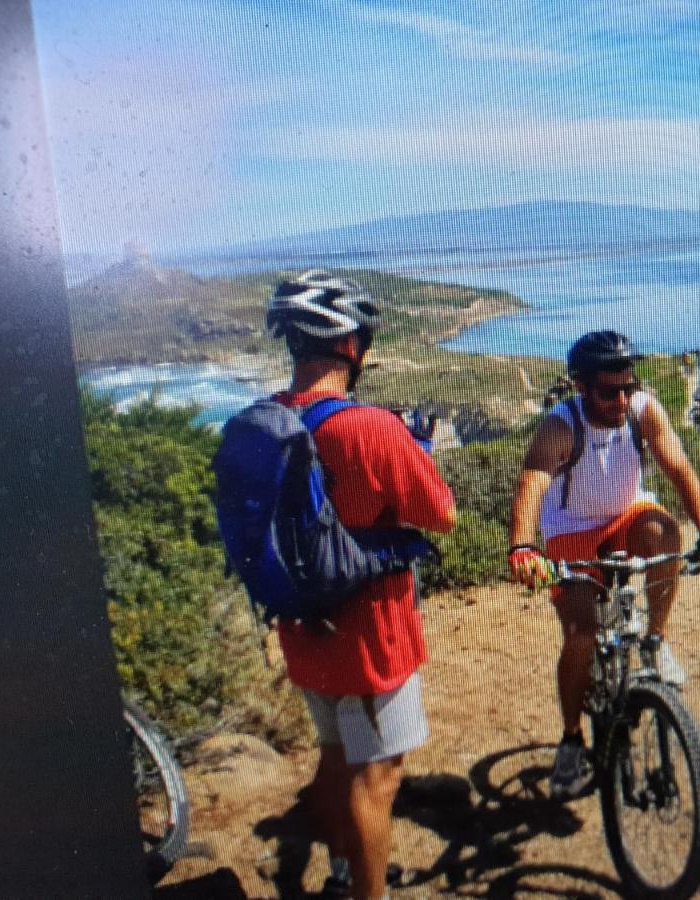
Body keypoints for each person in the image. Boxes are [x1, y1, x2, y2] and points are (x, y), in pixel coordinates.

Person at [264, 270, 457, 900]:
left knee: (337, 759)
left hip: (300, 630)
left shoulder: (264, 424)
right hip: (371, 639)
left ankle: (344, 869)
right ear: (351, 346)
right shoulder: (371, 428)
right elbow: (441, 515)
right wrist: (414, 452)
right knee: (377, 782)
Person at [507, 330, 700, 799]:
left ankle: (654, 640)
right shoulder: (561, 424)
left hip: (627, 514)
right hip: (572, 531)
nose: (622, 399)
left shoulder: (643, 411)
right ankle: (572, 738)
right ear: (582, 388)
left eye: (629, 386)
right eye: (609, 391)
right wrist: (522, 547)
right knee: (581, 635)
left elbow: (679, 469)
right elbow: (532, 482)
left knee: (664, 533)